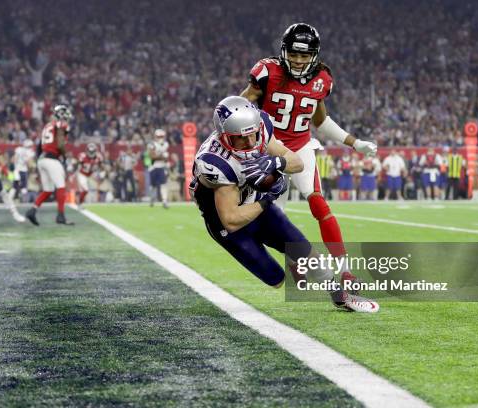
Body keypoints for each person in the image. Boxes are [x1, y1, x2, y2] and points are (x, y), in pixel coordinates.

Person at [191, 96, 378, 313]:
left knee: (306, 252)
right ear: (224, 136)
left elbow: (296, 163)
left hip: (257, 203)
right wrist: (268, 198)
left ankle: (339, 296)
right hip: (228, 226)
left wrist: (278, 161)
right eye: (240, 139)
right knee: (276, 278)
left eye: (252, 134)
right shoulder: (214, 162)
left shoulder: (261, 128)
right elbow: (231, 219)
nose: (250, 143)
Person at [241, 23, 377, 259]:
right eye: (293, 54)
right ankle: (296, 262)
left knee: (318, 203)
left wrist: (355, 143)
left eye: (304, 55)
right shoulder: (267, 71)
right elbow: (240, 108)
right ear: (284, 51)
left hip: (301, 146)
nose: (297, 60)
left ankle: (344, 269)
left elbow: (321, 122)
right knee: (272, 219)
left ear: (313, 55)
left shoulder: (322, 79)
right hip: (270, 151)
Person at [25, 104, 74, 226]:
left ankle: (32, 210)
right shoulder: (60, 124)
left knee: (48, 190)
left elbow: (39, 147)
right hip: (52, 159)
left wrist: (38, 164)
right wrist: (64, 155)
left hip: (42, 159)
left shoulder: (47, 126)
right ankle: (61, 216)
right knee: (61, 186)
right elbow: (60, 143)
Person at [147, 129, 170, 208]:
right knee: (153, 185)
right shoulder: (152, 144)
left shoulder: (166, 144)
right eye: (159, 136)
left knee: (163, 184)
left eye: (162, 136)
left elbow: (166, 158)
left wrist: (162, 157)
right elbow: (151, 156)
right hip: (153, 167)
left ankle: (164, 201)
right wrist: (162, 156)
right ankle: (152, 199)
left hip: (162, 167)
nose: (160, 138)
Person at [76, 143, 103, 207]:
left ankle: (80, 197)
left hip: (91, 174)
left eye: (92, 152)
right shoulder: (82, 156)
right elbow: (77, 165)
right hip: (82, 174)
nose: (91, 153)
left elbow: (101, 166)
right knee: (85, 190)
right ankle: (79, 202)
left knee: (93, 188)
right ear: (87, 150)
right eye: (90, 151)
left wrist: (99, 173)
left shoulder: (98, 157)